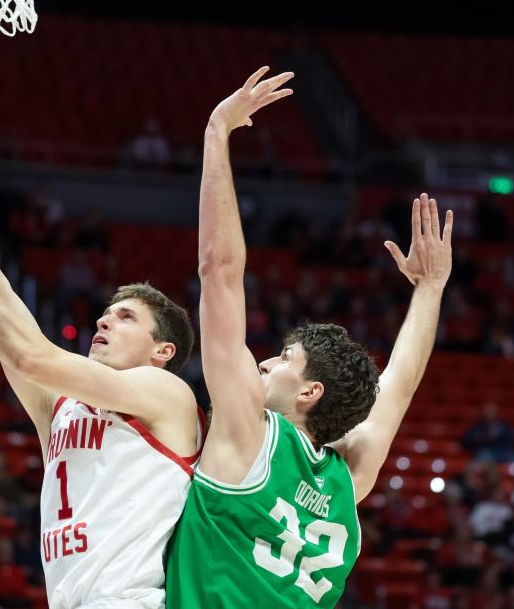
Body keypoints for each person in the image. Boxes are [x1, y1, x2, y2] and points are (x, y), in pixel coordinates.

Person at [164, 68, 454, 608]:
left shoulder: (248, 436)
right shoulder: (349, 480)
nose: (265, 363)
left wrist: (216, 133)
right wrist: (431, 288)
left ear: (309, 392)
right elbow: (399, 386)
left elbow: (219, 271)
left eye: (283, 358)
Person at [0, 117, 203, 609]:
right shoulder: (61, 404)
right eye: (104, 314)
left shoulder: (168, 396)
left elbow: (25, 353)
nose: (103, 322)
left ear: (162, 352)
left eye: (124, 318)